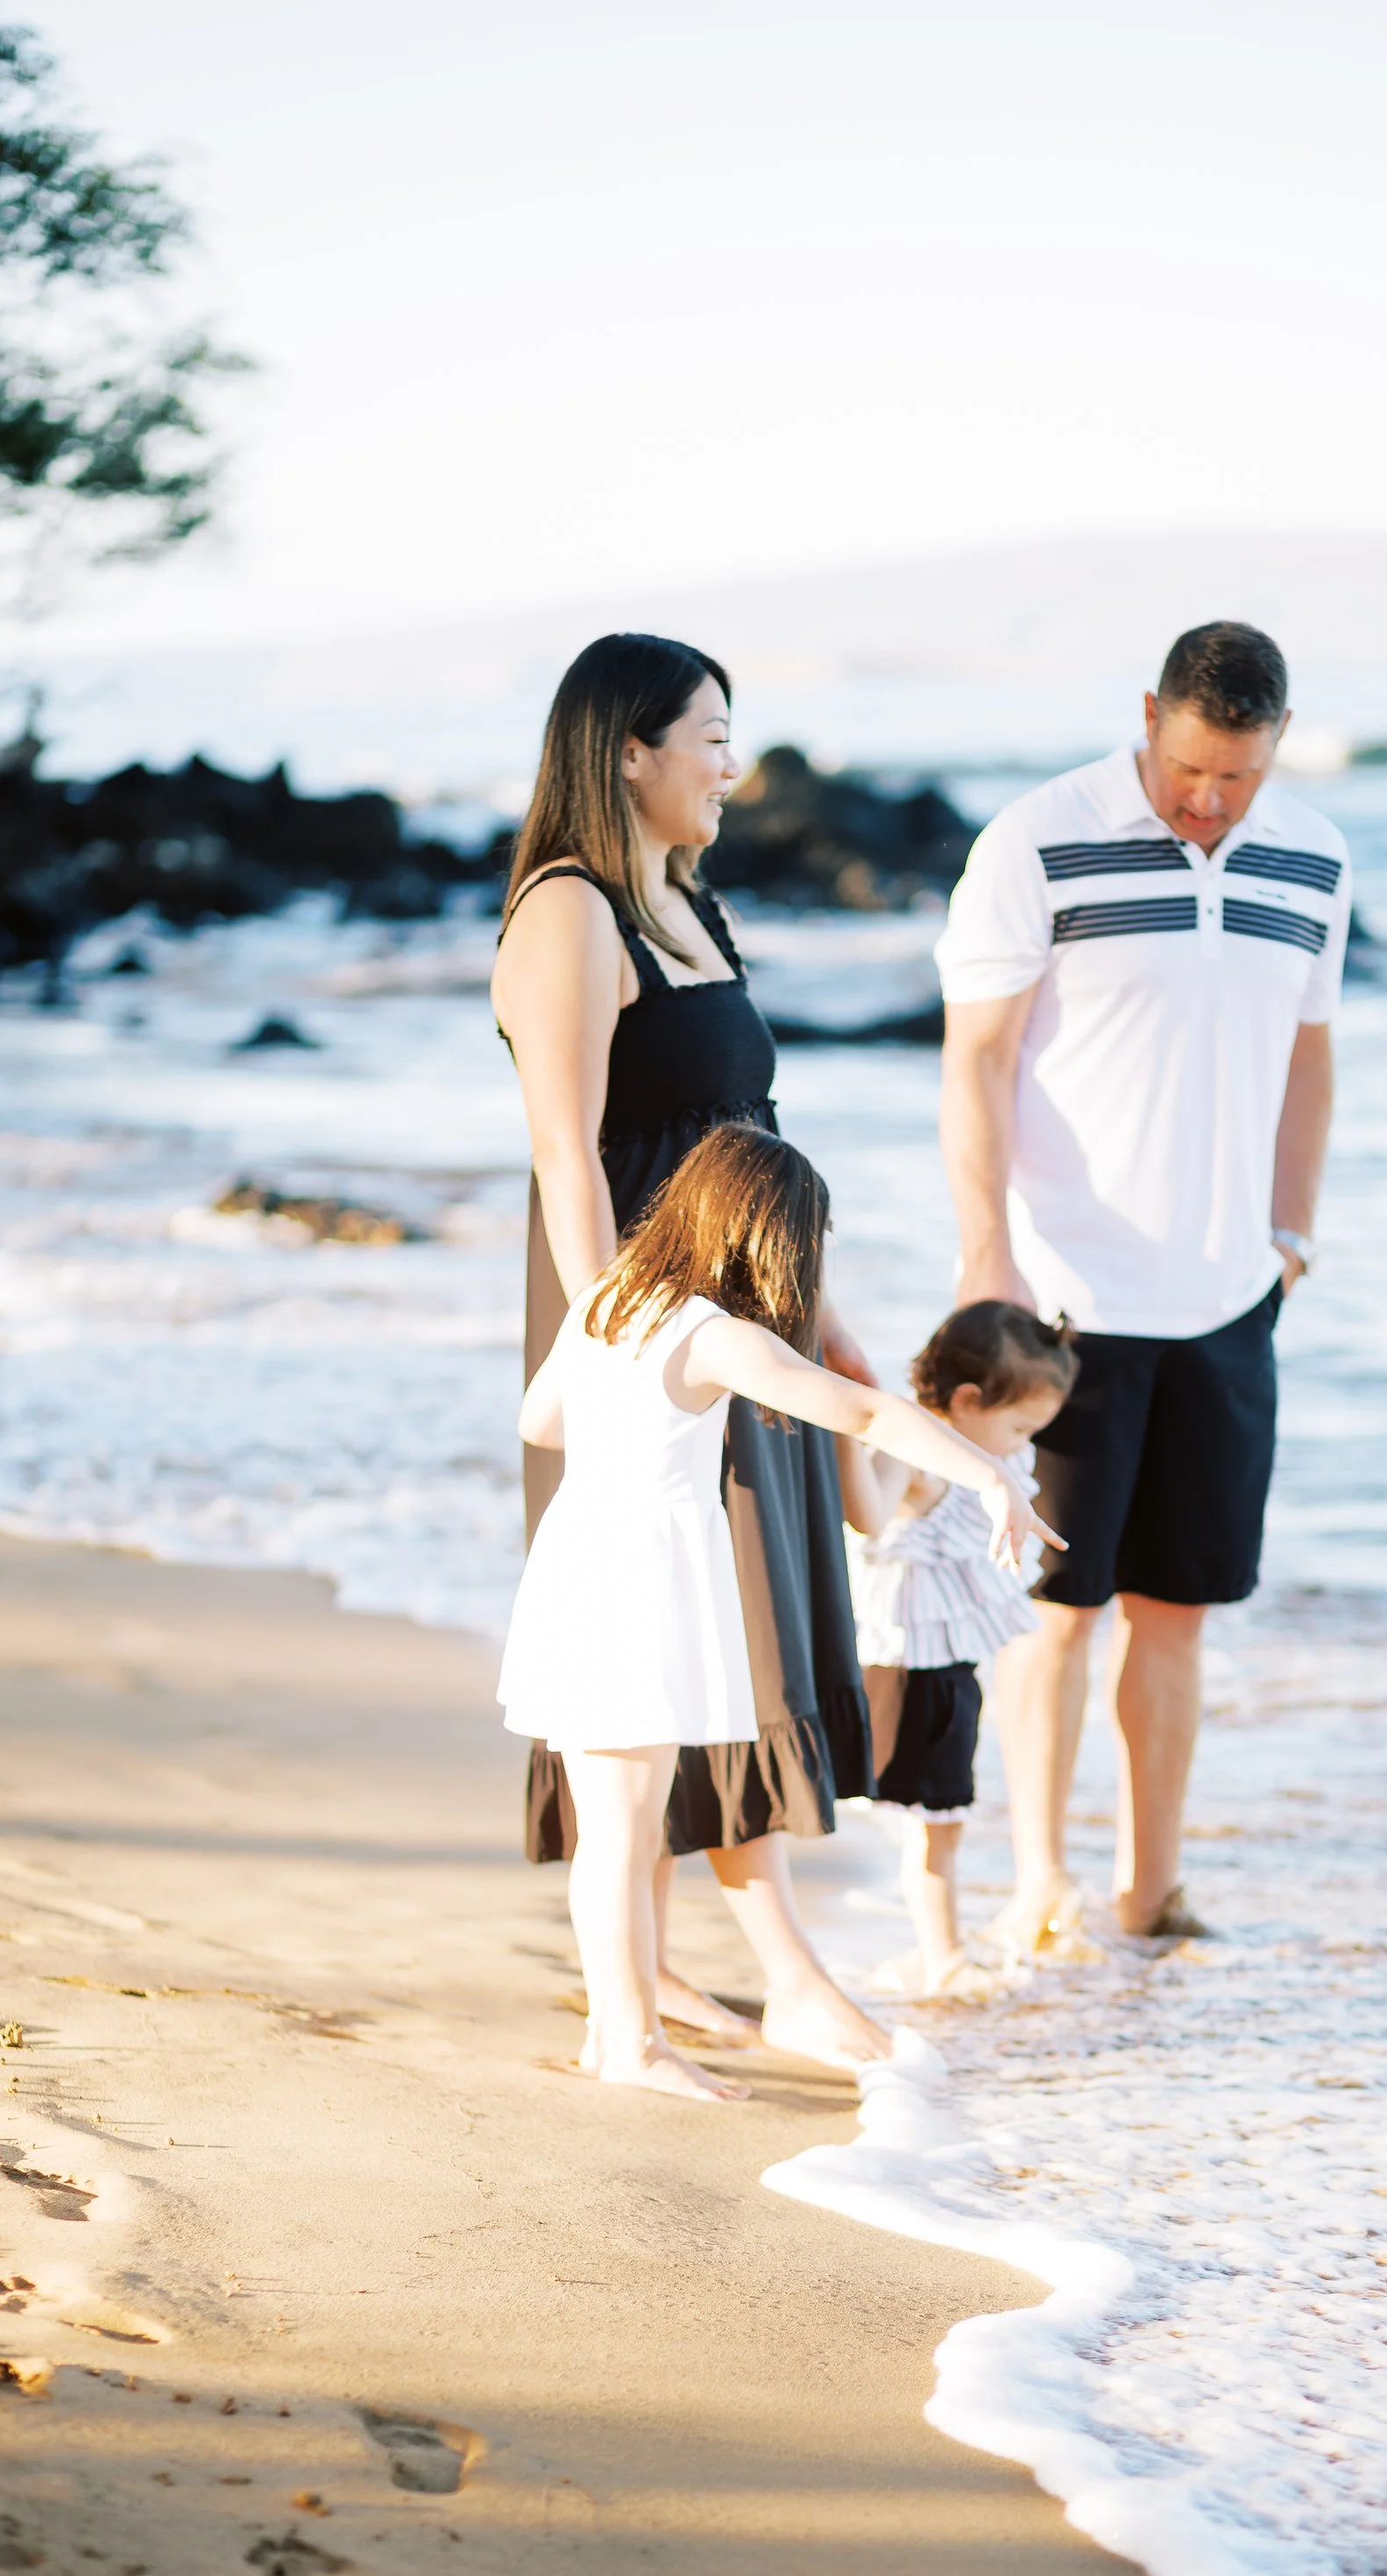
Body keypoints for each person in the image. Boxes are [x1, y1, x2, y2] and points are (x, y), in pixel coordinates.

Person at [491, 632, 889, 2071]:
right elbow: (567, 1153)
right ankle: (781, 1968)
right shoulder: (569, 914)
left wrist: (828, 1317)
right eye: (709, 734)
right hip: (650, 1329)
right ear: (628, 750)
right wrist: (622, 1345)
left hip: (742, 1305)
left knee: (729, 1627)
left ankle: (652, 1974)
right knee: (699, 1628)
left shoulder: (684, 903)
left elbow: (751, 1142)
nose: (732, 762)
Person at [936, 619, 1345, 1949]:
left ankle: (1153, 1888)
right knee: (1059, 1615)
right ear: (1150, 714)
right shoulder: (1036, 841)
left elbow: (1309, 1053)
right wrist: (985, 1256)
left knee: (1181, 1614)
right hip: (1067, 1303)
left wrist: (1292, 1229)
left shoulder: (1316, 857)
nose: (1208, 800)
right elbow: (978, 1061)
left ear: (1276, 745)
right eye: (1187, 768)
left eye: (1238, 774)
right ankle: (1042, 1881)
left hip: (1230, 1304)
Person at [503, 1128, 1060, 2101]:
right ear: (768, 1236)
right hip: (644, 1576)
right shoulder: (714, 1333)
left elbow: (537, 1423)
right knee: (626, 1831)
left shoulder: (606, 1297)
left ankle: (615, 2033)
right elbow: (864, 1413)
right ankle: (628, 2044)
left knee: (617, 1827)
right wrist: (990, 1481)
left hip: (579, 1556)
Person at [835, 1301, 1079, 1998]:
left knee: (941, 1822)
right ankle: (942, 1954)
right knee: (936, 1824)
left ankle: (942, 1944)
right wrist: (849, 1430)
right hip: (909, 1670)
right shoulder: (920, 1460)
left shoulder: (981, 1454)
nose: (1023, 1444)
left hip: (949, 1666)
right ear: (969, 1400)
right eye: (1021, 1426)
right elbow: (868, 1516)